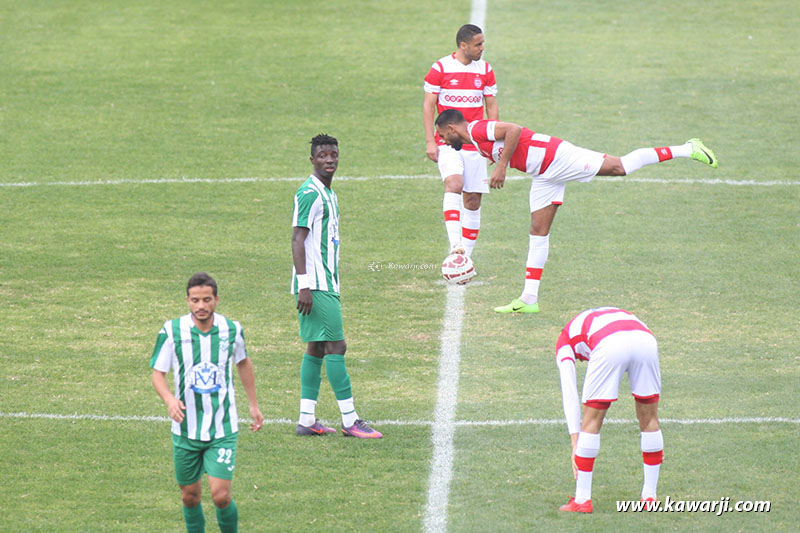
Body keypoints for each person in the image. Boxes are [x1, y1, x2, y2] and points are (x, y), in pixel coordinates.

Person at [435, 109, 718, 313]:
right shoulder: (473, 143)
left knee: (620, 167)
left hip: (557, 157)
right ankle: (529, 299)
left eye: (442, 136)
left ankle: (687, 148)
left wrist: (500, 167)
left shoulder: (476, 129)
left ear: (451, 129)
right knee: (538, 231)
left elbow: (514, 130)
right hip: (544, 174)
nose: (444, 142)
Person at [150, 272, 264, 532]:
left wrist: (253, 404)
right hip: (185, 429)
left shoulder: (231, 329)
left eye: (206, 300)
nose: (201, 306)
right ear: (187, 301)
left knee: (221, 495)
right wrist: (169, 399)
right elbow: (158, 373)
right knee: (189, 496)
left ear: (216, 299)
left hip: (222, 428)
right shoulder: (172, 330)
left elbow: (243, 362)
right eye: (195, 300)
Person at [290, 133, 382, 439]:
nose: (329, 160)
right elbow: (297, 239)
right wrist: (304, 285)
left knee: (316, 347)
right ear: (312, 160)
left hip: (326, 279)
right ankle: (350, 419)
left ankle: (306, 419)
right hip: (315, 283)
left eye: (334, 155)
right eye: (323, 156)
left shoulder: (329, 193)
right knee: (336, 345)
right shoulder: (310, 193)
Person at [554, 307, 664, 513]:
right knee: (650, 419)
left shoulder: (564, 341)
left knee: (592, 420)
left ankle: (582, 500)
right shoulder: (605, 315)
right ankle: (650, 496)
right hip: (646, 340)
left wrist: (575, 441)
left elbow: (569, 391)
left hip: (609, 344)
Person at [423, 23, 499, 259]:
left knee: (473, 200)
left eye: (482, 43)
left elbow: (491, 106)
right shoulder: (441, 68)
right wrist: (430, 141)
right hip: (448, 143)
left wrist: (492, 142)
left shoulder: (485, 69)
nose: (482, 48)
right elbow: (428, 105)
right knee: (454, 184)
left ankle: (464, 258)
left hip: (475, 145)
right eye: (478, 44)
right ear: (463, 45)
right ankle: (455, 244)